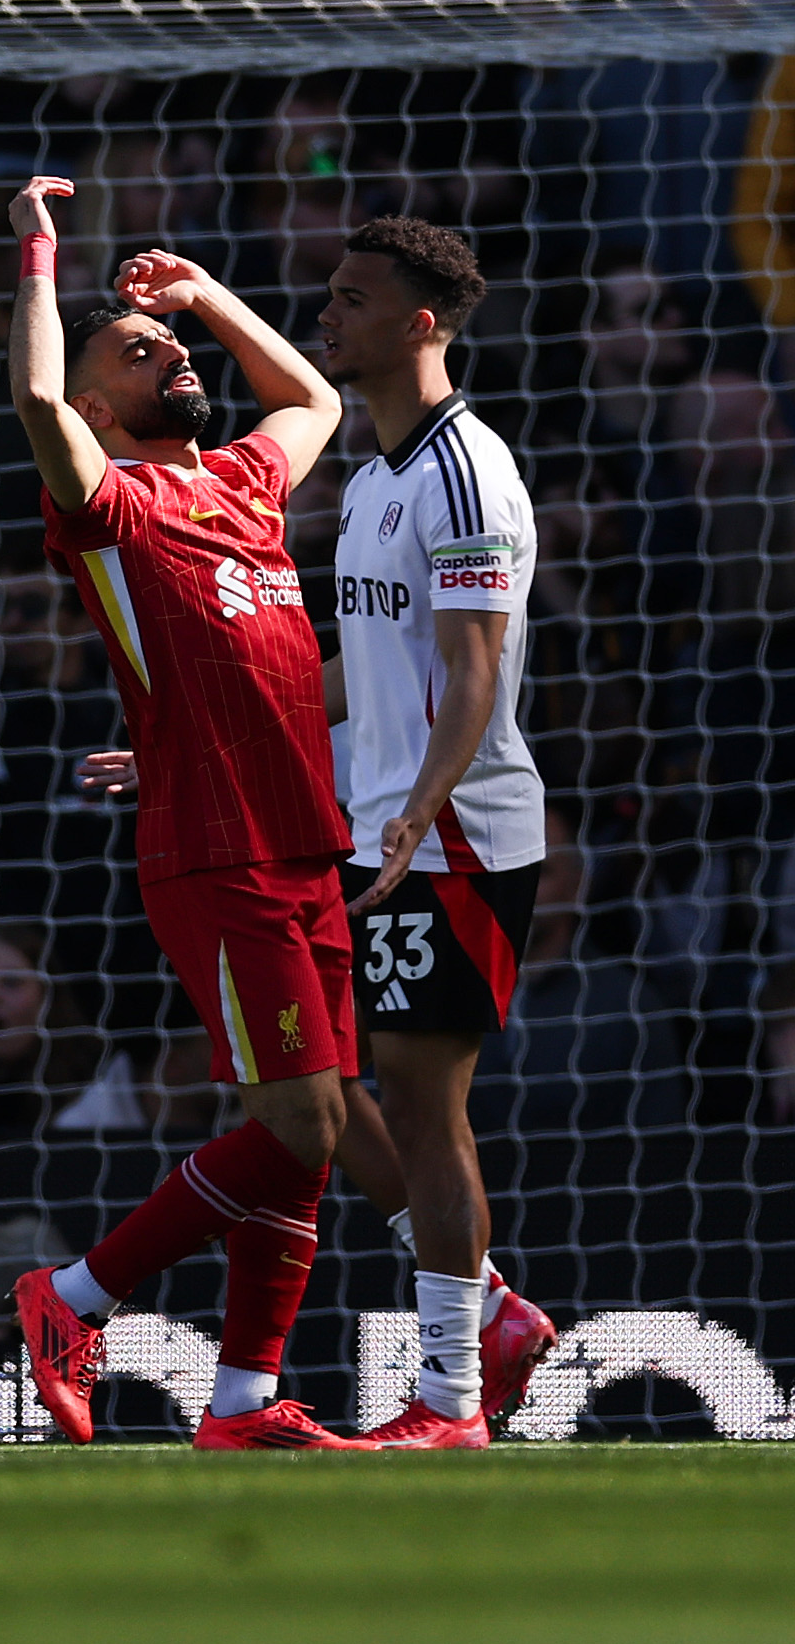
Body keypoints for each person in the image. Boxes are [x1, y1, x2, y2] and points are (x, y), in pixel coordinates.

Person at [1, 172, 375, 1449]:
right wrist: (42, 266)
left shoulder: (244, 483)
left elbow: (313, 397)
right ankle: (71, 1294)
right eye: (139, 347)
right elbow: (39, 398)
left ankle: (241, 1401)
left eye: (170, 343)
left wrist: (205, 294)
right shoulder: (106, 507)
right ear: (104, 404)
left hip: (309, 844)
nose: (167, 351)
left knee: (310, 1133)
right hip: (219, 857)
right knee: (304, 1119)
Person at [312, 221, 564, 1439]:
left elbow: (475, 671)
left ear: (421, 323)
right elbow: (358, 675)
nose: (330, 315)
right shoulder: (370, 481)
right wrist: (192, 739)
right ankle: (492, 1314)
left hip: (455, 831)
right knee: (314, 1082)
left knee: (417, 1097)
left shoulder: (469, 470)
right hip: (381, 829)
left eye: (354, 299)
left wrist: (422, 806)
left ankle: (453, 1394)